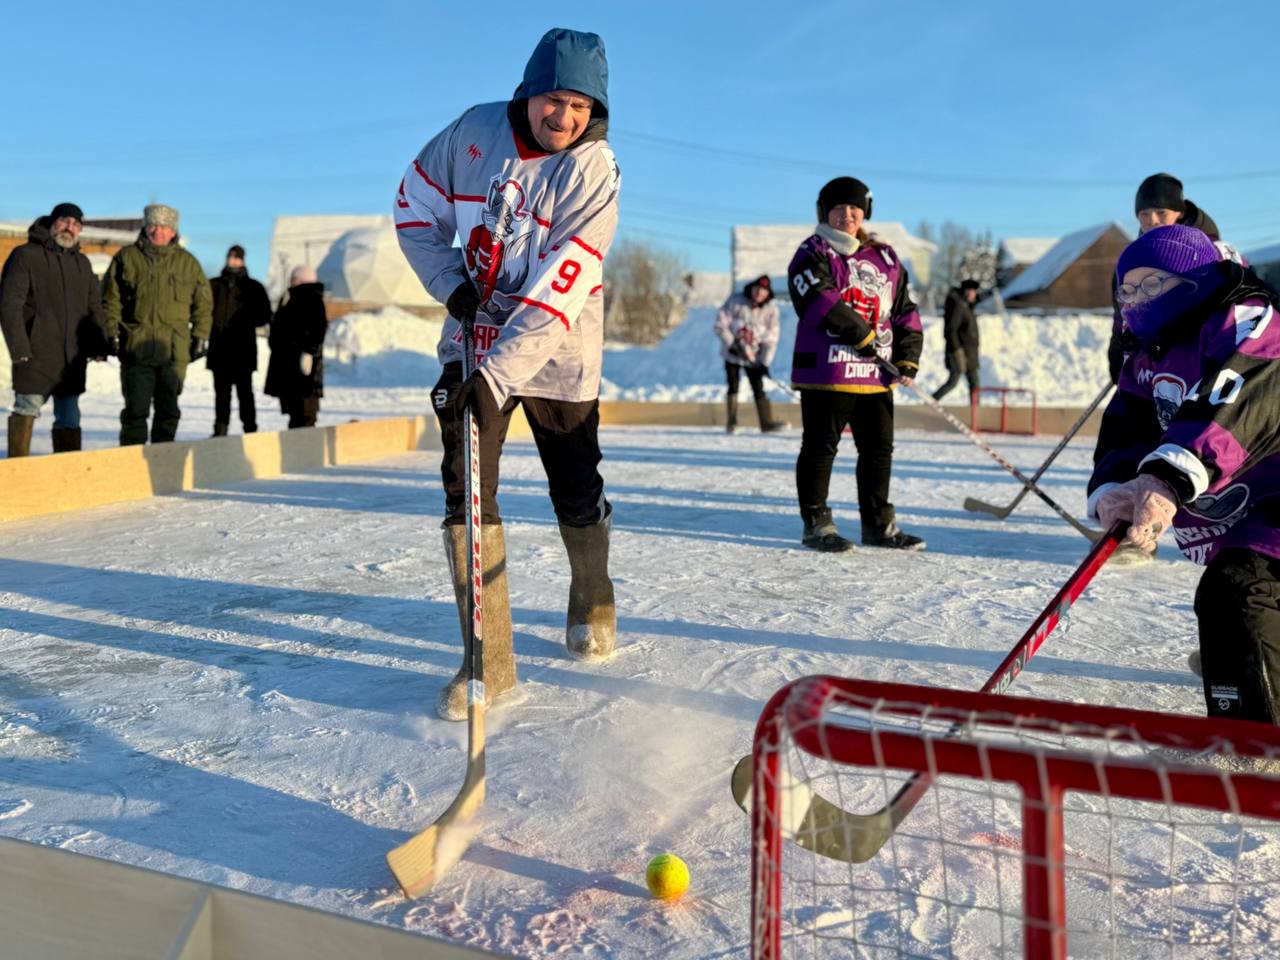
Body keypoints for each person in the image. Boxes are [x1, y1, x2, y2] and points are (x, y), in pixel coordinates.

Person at [396, 26, 621, 720]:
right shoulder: (472, 132)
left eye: (582, 107)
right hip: (474, 337)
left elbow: (562, 288)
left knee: (575, 486)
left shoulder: (595, 169)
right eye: (555, 100)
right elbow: (413, 210)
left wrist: (498, 376)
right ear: (528, 93)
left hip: (558, 348)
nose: (566, 118)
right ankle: (485, 661)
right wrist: (454, 289)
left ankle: (592, 595)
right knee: (466, 490)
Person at [1089, 224, 1280, 725]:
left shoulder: (1248, 319)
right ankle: (1249, 668)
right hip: (1246, 497)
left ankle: (1254, 745)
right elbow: (1129, 422)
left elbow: (1235, 398)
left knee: (1240, 588)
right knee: (1230, 596)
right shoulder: (1147, 351)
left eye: (1153, 285)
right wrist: (1117, 488)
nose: (1137, 300)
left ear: (1193, 279)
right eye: (1127, 290)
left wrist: (1169, 477)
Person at [788, 176, 925, 552]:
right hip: (828, 372)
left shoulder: (884, 256)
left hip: (876, 375)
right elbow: (819, 299)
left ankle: (878, 523)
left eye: (854, 209)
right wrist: (862, 336)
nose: (847, 216)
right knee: (820, 447)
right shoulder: (812, 251)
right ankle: (816, 523)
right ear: (824, 212)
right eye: (838, 209)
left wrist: (907, 358)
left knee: (879, 450)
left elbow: (904, 310)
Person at [1107, 173, 1243, 384]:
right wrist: (1119, 352)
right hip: (1151, 364)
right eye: (1144, 214)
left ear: (1179, 212)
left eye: (1161, 212)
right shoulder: (1134, 261)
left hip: (1207, 361)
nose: (1152, 220)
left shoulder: (1214, 253)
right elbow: (1122, 313)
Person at [1, 202, 106, 457]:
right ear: (52, 222)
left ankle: (67, 475)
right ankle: (18, 468)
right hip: (36, 352)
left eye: (76, 225)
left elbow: (94, 308)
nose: (70, 228)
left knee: (69, 416)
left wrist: (98, 345)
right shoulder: (25, 255)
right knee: (27, 408)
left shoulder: (81, 263)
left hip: (71, 357)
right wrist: (20, 348)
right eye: (65, 222)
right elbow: (9, 305)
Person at [101, 204, 212, 445]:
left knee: (168, 412)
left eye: (165, 227)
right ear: (145, 226)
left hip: (173, 352)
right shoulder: (126, 258)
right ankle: (132, 465)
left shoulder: (188, 263)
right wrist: (112, 333)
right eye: (153, 225)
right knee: (135, 412)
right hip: (136, 349)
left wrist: (201, 336)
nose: (158, 231)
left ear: (173, 231)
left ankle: (162, 466)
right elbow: (110, 300)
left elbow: (203, 305)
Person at [207, 244, 271, 436]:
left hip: (243, 349)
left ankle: (250, 429)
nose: (232, 260)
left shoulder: (253, 287)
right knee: (221, 393)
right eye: (230, 257)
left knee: (245, 393)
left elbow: (265, 315)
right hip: (219, 348)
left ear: (242, 260)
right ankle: (220, 429)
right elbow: (202, 311)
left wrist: (247, 316)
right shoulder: (214, 285)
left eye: (236, 257)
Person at [714, 275, 785, 433]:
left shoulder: (771, 311)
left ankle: (766, 422)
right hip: (732, 353)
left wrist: (765, 363)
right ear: (751, 288)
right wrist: (731, 343)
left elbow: (771, 339)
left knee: (758, 387)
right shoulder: (735, 301)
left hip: (754, 357)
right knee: (733, 384)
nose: (759, 293)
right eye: (757, 289)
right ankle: (732, 423)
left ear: (768, 293)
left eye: (763, 290)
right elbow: (720, 324)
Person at [264, 265, 327, 428]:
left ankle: (305, 447)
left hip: (303, 365)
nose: (292, 281)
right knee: (295, 410)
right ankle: (295, 444)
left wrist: (309, 352)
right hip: (288, 364)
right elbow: (277, 325)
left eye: (295, 278)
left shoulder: (312, 298)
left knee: (305, 411)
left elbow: (318, 330)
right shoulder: (289, 298)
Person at [931, 279, 981, 403]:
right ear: (964, 291)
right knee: (954, 381)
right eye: (970, 291)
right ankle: (931, 401)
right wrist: (957, 349)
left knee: (974, 383)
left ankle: (977, 412)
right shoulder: (959, 306)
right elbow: (950, 330)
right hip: (960, 352)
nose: (972, 294)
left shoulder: (966, 306)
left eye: (974, 291)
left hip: (969, 352)